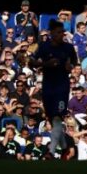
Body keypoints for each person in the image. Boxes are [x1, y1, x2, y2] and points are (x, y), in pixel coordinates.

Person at [31, 19, 78, 159]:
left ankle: (50, 152)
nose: (61, 34)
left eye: (62, 32)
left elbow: (74, 62)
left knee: (58, 118)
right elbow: (32, 61)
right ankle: (64, 149)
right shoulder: (44, 46)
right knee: (53, 120)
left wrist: (70, 66)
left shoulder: (68, 48)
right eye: (58, 32)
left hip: (62, 87)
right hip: (48, 87)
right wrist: (46, 64)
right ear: (51, 33)